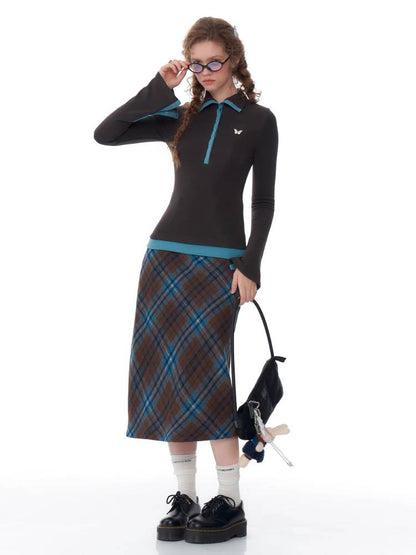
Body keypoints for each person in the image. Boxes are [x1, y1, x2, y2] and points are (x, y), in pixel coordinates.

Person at [93, 16, 278, 544]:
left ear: (234, 60)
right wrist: (160, 86)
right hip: (165, 260)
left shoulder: (259, 120)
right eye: (196, 63)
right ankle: (186, 497)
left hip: (221, 265)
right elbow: (106, 133)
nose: (206, 71)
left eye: (214, 61)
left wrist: (251, 265)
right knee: (171, 376)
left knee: (209, 379)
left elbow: (263, 201)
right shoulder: (179, 117)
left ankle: (230, 501)